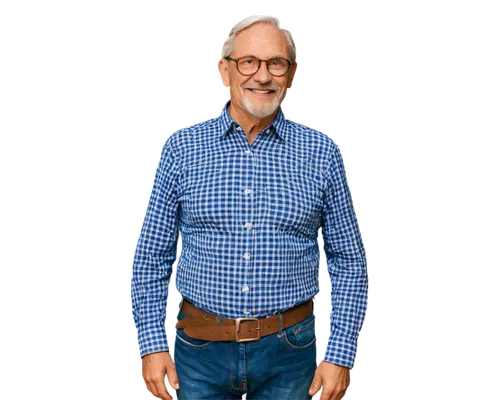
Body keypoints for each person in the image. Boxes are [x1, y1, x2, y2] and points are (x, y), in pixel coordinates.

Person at [129, 13, 369, 400]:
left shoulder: (321, 152)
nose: (262, 76)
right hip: (197, 353)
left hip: (292, 354)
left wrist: (340, 354)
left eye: (276, 63)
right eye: (248, 62)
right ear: (223, 70)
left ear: (291, 74)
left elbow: (349, 260)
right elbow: (150, 257)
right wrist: (152, 345)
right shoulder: (181, 149)